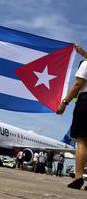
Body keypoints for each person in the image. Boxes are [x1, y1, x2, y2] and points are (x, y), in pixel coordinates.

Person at [57, 44, 87, 189]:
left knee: (82, 141)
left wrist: (64, 102)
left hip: (85, 101)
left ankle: (79, 177)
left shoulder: (85, 64)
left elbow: (77, 85)